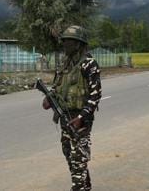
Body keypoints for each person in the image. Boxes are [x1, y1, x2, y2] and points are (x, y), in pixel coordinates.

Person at [42, 25, 101, 191]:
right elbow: (56, 87)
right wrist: (49, 98)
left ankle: (79, 187)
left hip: (80, 121)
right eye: (64, 41)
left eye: (68, 42)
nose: (65, 45)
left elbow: (95, 95)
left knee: (78, 159)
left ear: (79, 44)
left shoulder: (89, 64)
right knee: (70, 156)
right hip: (65, 118)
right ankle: (85, 186)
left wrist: (81, 118)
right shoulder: (64, 65)